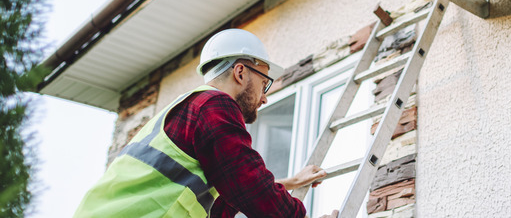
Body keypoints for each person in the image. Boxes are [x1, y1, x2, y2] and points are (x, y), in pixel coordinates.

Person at [74, 28, 338, 218]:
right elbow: (248, 186)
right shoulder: (214, 105)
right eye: (264, 83)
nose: (264, 97)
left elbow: (228, 194)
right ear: (240, 72)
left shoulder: (189, 110)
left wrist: (290, 182)